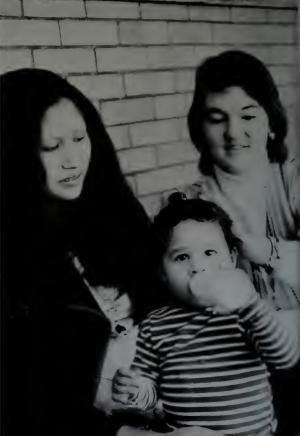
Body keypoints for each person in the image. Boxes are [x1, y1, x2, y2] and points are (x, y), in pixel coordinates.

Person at [1, 69, 205, 436]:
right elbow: (27, 402)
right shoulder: (14, 254)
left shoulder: (116, 213)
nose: (73, 160)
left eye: (80, 138)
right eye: (51, 147)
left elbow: (172, 306)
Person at [112, 194, 299, 436]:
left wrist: (250, 305)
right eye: (182, 257)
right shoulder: (154, 325)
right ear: (162, 271)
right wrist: (135, 390)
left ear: (232, 259)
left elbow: (283, 356)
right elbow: (152, 391)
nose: (197, 266)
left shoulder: (245, 313)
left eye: (209, 253)